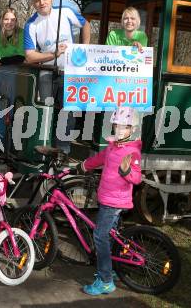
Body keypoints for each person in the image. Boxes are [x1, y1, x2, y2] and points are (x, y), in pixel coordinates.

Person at [74, 107, 142, 295]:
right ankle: (111, 269)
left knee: (100, 236)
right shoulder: (113, 146)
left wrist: (127, 171)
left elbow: (137, 178)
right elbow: (100, 158)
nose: (120, 130)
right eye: (117, 126)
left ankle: (105, 280)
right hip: (107, 198)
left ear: (132, 129)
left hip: (115, 202)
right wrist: (83, 166)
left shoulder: (131, 151)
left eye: (125, 127)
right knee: (110, 235)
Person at [24, 0, 91, 154]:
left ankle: (64, 152)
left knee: (68, 114)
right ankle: (45, 153)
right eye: (37, 0)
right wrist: (52, 54)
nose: (41, 3)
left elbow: (86, 24)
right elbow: (30, 56)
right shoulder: (31, 24)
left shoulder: (66, 12)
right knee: (46, 113)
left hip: (69, 72)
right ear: (33, 3)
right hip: (46, 73)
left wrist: (85, 49)